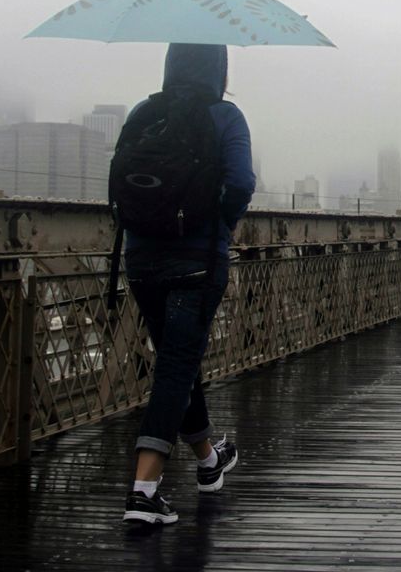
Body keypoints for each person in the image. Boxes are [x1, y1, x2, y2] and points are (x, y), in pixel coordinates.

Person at [118, 43, 256, 526]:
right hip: (198, 259)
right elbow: (240, 181)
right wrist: (222, 221)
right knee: (177, 364)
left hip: (140, 259)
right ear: (219, 68)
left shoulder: (142, 112)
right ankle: (144, 490)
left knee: (179, 359)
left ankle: (208, 459)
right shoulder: (225, 116)